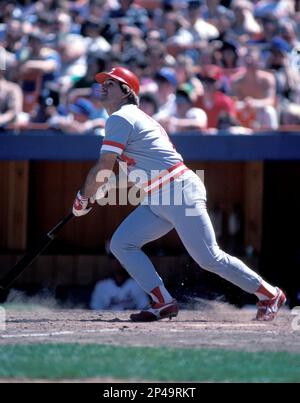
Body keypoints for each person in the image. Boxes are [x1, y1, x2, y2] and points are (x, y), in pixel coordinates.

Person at [72, 66, 286, 322]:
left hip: (178, 189)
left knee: (209, 258)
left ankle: (270, 293)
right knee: (122, 244)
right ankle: (163, 301)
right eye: (103, 82)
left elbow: (104, 165)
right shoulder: (131, 118)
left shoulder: (121, 117)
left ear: (126, 91)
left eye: (111, 83)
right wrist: (102, 189)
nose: (103, 86)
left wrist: (84, 196)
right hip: (159, 195)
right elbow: (133, 171)